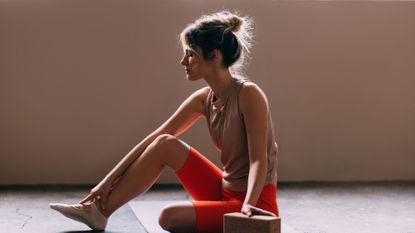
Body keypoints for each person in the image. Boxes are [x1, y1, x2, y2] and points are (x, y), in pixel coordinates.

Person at [50, 10, 280, 233]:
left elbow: (258, 160)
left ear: (215, 55)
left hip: (255, 202)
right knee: (164, 143)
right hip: (222, 190)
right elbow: (153, 140)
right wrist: (105, 182)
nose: (183, 61)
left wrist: (248, 206)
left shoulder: (249, 94)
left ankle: (241, 217)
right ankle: (99, 212)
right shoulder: (203, 99)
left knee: (168, 217)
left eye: (191, 53)